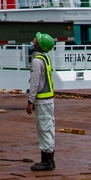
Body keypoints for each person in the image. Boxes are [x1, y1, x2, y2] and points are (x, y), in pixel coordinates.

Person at [26, 32, 56, 171]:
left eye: (35, 40)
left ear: (38, 45)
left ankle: (46, 161)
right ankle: (50, 159)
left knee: (44, 129)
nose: (33, 41)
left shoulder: (37, 61)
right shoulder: (45, 58)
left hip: (42, 101)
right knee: (48, 129)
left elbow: (35, 83)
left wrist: (30, 101)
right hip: (48, 100)